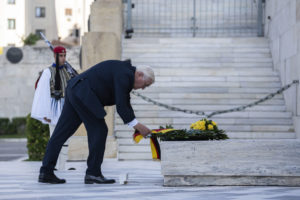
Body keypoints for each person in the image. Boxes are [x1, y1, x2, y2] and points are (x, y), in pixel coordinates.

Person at [38, 60, 155, 184]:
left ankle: (46, 172)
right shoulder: (125, 74)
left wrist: (135, 124)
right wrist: (137, 126)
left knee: (61, 133)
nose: (143, 88)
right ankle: (93, 173)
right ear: (140, 75)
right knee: (99, 130)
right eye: (145, 85)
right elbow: (122, 105)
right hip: (84, 93)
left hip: (75, 89)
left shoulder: (124, 72)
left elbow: (124, 101)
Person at [31, 46, 77, 171]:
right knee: (54, 139)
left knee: (66, 140)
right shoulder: (48, 72)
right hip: (53, 109)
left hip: (67, 108)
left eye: (64, 56)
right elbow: (42, 93)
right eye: (60, 56)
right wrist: (45, 112)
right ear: (55, 56)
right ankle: (53, 166)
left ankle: (62, 166)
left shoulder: (69, 71)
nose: (63, 58)